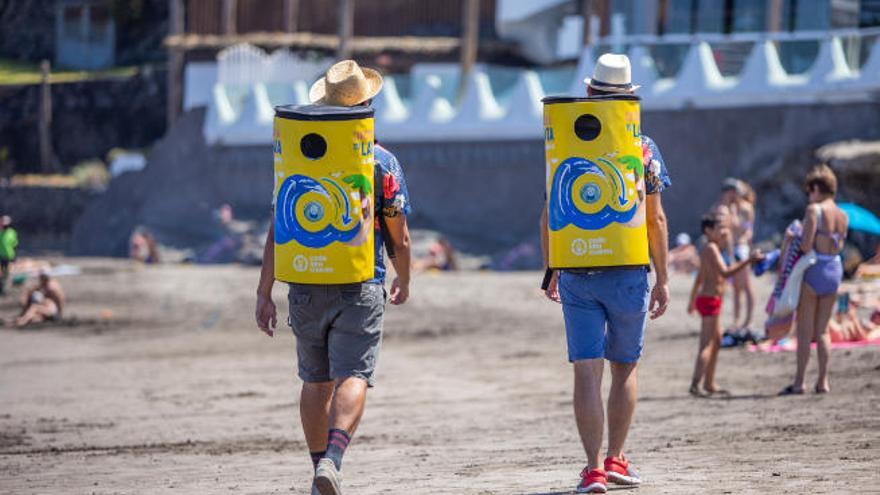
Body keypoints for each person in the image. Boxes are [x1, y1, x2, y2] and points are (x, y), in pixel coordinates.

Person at [254, 60, 412, 495]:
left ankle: (318, 468)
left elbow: (279, 225)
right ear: (369, 106)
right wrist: (405, 278)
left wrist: (264, 290)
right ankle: (333, 462)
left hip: (304, 282)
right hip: (359, 282)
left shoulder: (298, 157)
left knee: (314, 379)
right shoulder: (381, 162)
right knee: (354, 376)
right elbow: (398, 232)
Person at [541, 53, 671, 494]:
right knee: (625, 367)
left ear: (591, 92)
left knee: (586, 370)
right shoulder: (644, 146)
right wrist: (665, 277)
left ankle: (593, 468)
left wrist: (551, 267)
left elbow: (549, 212)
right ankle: (616, 457)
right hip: (628, 267)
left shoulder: (564, 139)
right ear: (630, 98)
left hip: (578, 265)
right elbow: (655, 219)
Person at [780, 165, 848, 395]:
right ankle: (823, 381)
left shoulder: (813, 210)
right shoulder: (843, 215)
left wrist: (794, 236)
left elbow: (807, 245)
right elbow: (839, 246)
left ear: (817, 188)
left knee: (804, 330)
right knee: (823, 331)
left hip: (814, 269)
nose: (809, 195)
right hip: (834, 269)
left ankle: (799, 382)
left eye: (809, 190)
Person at [687, 216, 762, 396]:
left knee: (718, 340)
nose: (722, 232)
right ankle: (695, 385)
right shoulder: (711, 248)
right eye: (718, 229)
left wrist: (691, 300)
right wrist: (749, 261)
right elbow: (726, 271)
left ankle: (710, 383)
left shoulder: (710, 249)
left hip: (710, 300)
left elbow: (700, 277)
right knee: (706, 344)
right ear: (708, 231)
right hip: (710, 300)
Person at [0, 215, 19, 295]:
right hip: (0, 256)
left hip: (8, 256)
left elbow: (15, 245)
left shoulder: (12, 232)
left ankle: (3, 288)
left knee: (6, 273)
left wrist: (14, 256)